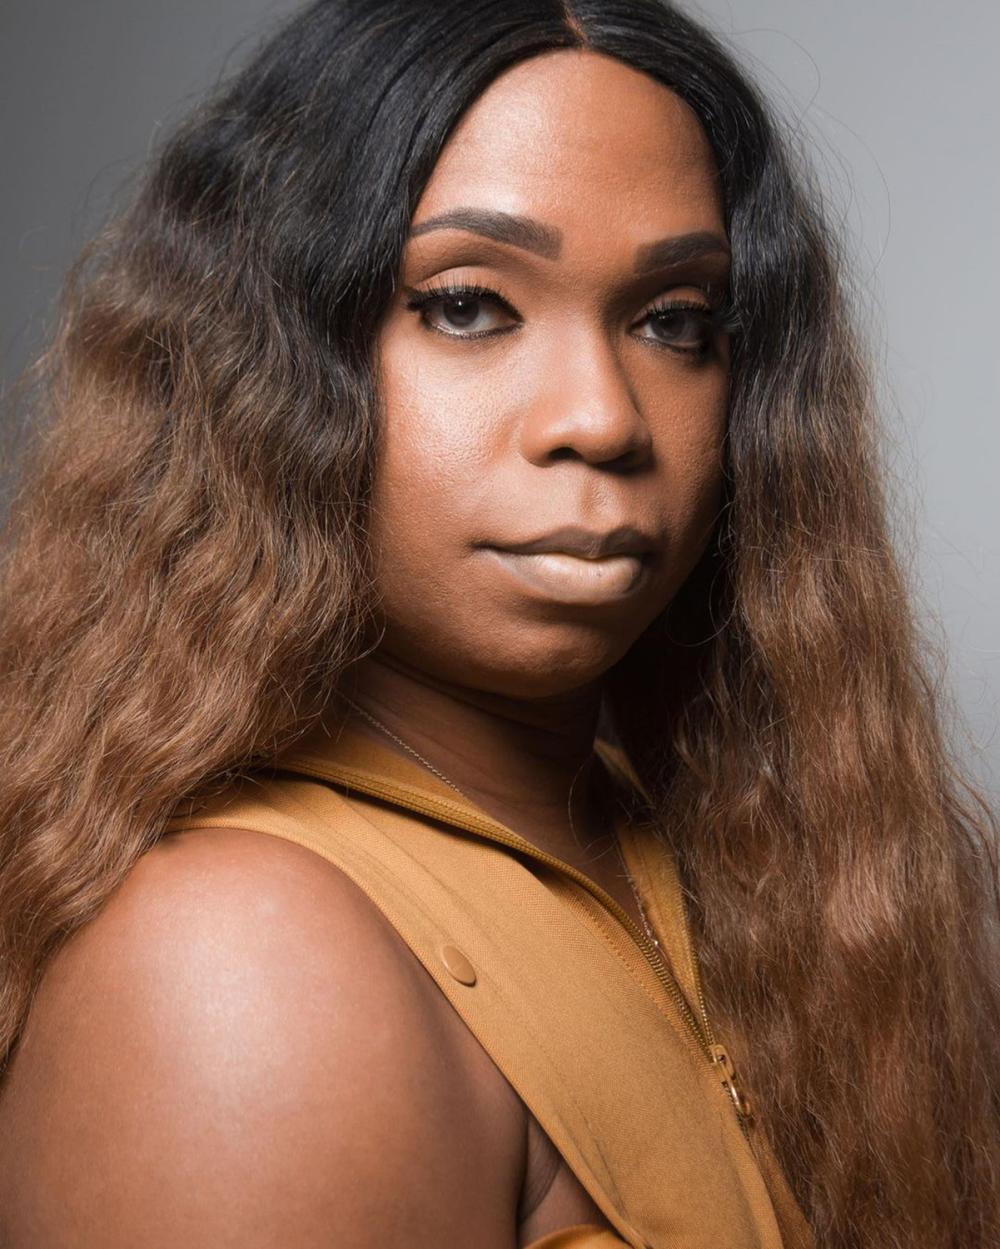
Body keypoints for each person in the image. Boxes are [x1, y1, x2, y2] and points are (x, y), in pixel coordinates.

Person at [0, 2, 996, 1246]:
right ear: (268, 363)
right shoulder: (236, 963)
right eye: (468, 305)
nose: (601, 417)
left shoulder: (745, 869)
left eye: (673, 319)